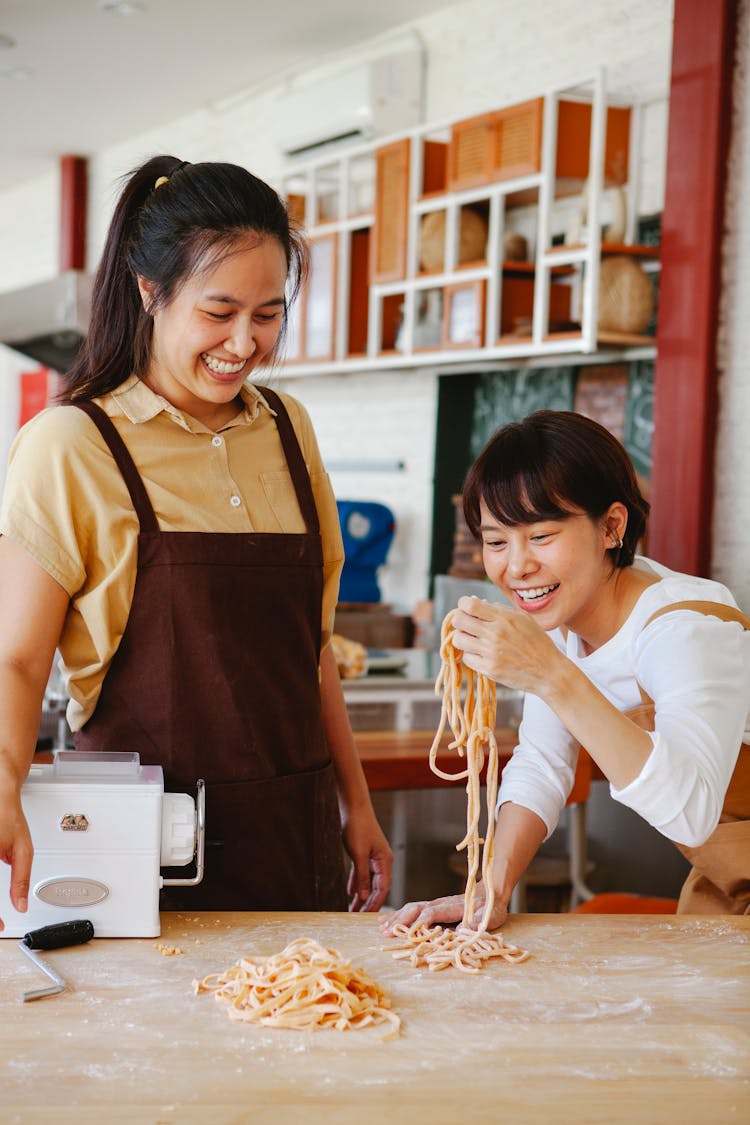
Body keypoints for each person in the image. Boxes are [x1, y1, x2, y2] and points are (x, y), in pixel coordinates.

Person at [0, 155, 392, 928]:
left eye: (268, 314)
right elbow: (16, 657)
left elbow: (309, 649)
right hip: (139, 853)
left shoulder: (287, 429)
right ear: (151, 291)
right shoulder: (73, 444)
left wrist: (356, 801)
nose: (244, 342)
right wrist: (4, 781)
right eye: (219, 312)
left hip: (293, 838)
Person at [381, 410, 750, 934]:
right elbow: (542, 763)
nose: (516, 567)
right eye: (496, 541)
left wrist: (551, 674)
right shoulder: (563, 618)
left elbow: (691, 811)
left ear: (612, 527)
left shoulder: (684, 629)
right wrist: (493, 887)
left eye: (542, 535)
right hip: (729, 879)